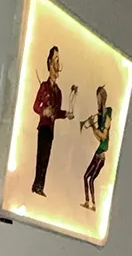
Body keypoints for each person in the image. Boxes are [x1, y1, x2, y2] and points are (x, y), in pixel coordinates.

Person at [31, 45, 76, 196]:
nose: (58, 66)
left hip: (51, 129)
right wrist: (44, 111)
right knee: (41, 156)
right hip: (44, 127)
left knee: (46, 158)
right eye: (55, 61)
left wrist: (66, 114)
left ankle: (40, 186)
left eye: (59, 61)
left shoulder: (58, 92)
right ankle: (36, 185)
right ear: (50, 63)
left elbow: (56, 113)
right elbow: (36, 106)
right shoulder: (44, 86)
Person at [80, 86, 112, 211]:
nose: (98, 101)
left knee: (91, 179)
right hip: (99, 149)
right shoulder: (99, 115)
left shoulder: (108, 113)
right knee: (86, 177)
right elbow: (99, 137)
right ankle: (88, 202)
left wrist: (93, 127)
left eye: (99, 98)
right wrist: (93, 127)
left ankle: (93, 204)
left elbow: (103, 136)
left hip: (103, 151)